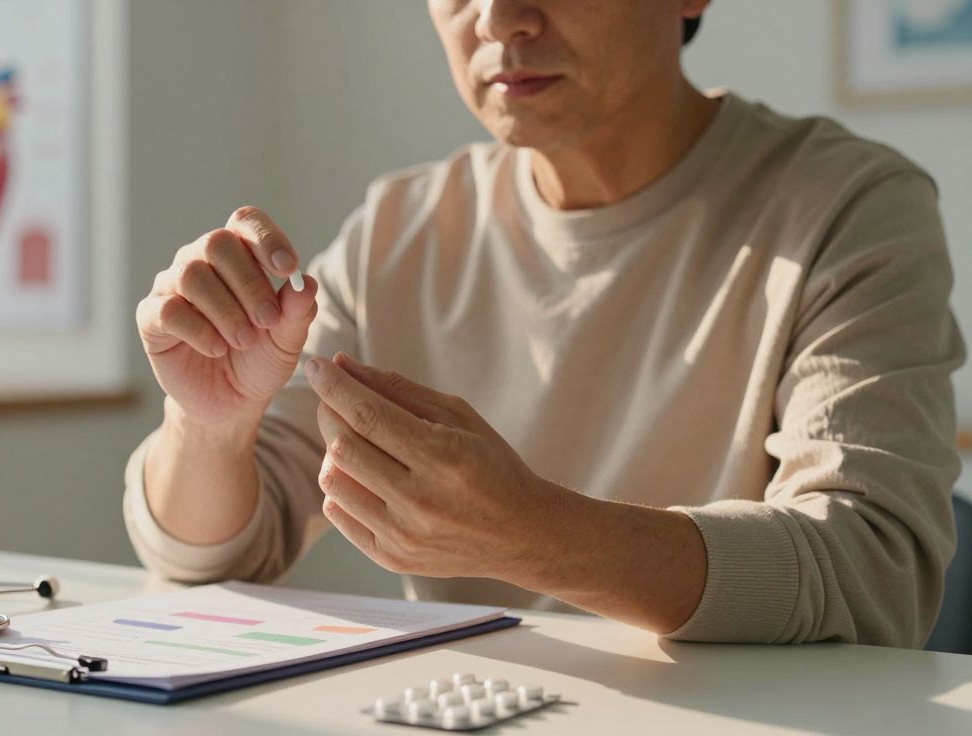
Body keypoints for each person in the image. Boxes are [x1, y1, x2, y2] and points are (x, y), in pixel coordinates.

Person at [123, 0, 964, 647]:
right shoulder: (400, 229)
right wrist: (209, 427)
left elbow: (871, 567)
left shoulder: (849, 209)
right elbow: (217, 555)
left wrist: (534, 536)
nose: (496, 18)